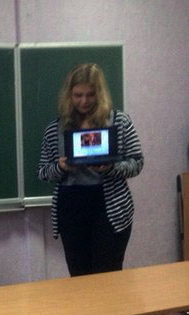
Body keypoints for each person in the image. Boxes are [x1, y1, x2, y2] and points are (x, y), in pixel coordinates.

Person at [38, 63, 143, 276]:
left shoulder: (119, 122)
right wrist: (60, 167)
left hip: (111, 208)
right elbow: (43, 172)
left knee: (108, 276)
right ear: (69, 95)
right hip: (71, 208)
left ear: (99, 94)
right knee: (80, 278)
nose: (84, 101)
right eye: (78, 95)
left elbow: (137, 162)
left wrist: (111, 168)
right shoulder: (54, 129)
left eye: (90, 95)